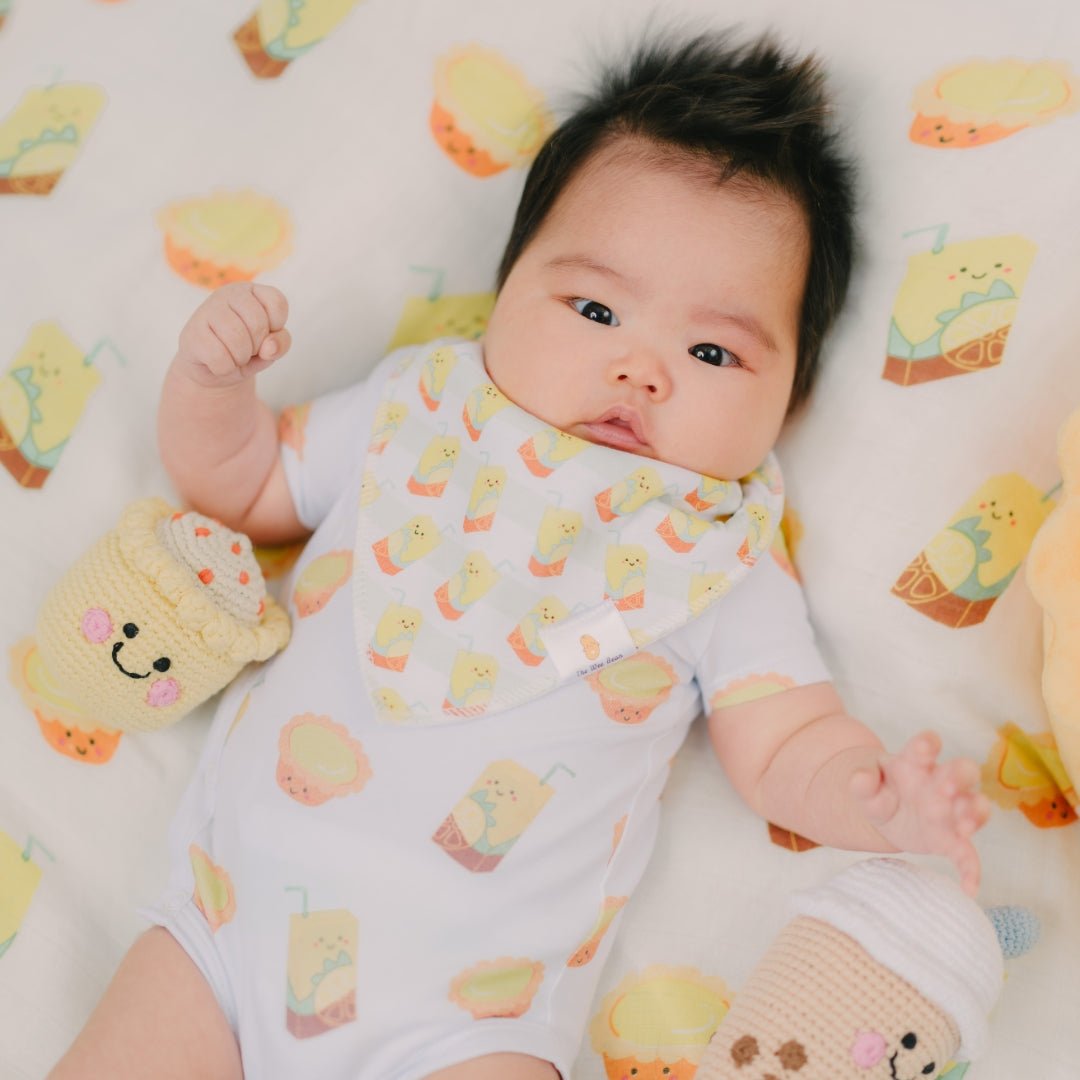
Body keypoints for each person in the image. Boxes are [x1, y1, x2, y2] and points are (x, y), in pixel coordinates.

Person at [50, 29, 990, 1080]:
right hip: (225, 934)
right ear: (506, 286)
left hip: (465, 1024)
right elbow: (250, 486)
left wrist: (872, 798)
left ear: (791, 397)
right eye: (595, 309)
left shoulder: (718, 552)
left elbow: (783, 748)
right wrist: (212, 389)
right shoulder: (419, 407)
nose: (639, 370)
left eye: (713, 351)